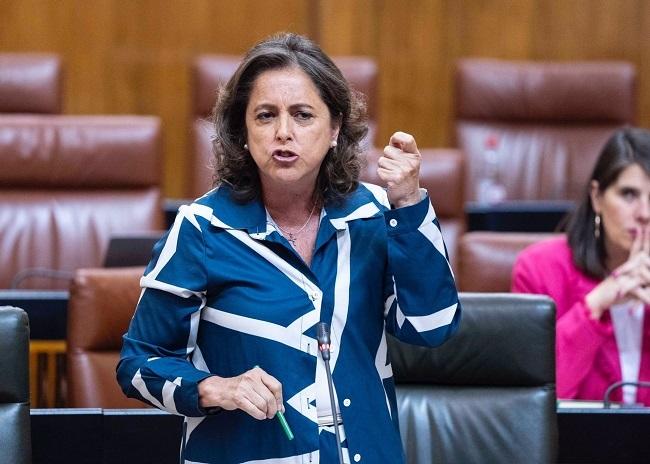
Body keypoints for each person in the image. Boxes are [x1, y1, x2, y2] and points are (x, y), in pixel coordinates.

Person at [116, 32, 460, 463]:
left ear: (335, 128)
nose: (283, 133)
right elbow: (137, 363)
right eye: (264, 116)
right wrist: (213, 387)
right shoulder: (203, 230)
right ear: (243, 131)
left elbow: (433, 327)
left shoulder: (375, 214)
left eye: (302, 115)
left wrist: (408, 204)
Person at [512, 127, 650, 406]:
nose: (645, 213)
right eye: (629, 195)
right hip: (574, 447)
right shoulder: (539, 270)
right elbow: (531, 400)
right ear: (597, 197)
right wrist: (595, 305)